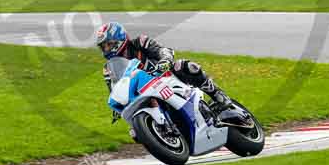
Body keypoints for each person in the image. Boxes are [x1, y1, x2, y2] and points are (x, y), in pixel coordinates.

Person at [96, 22, 233, 117]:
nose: (106, 49)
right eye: (104, 47)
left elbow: (162, 50)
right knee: (136, 133)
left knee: (185, 66)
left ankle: (219, 96)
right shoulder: (109, 69)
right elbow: (115, 89)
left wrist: (165, 60)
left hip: (165, 77)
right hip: (142, 93)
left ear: (119, 38)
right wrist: (117, 107)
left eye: (109, 44)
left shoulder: (140, 42)